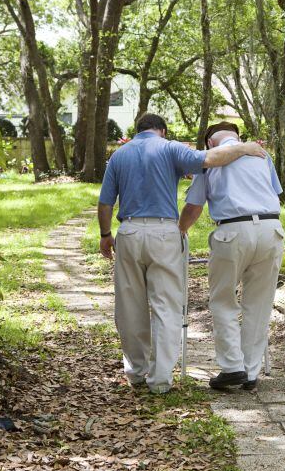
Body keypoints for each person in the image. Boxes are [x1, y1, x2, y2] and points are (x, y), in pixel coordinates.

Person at [98, 114, 266, 394]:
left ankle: (136, 371)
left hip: (127, 232)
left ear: (137, 130)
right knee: (166, 306)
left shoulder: (119, 155)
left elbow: (105, 202)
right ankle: (161, 380)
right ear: (161, 130)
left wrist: (105, 235)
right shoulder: (169, 147)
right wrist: (244, 147)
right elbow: (209, 159)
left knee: (129, 305)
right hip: (164, 232)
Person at [178, 121, 284, 390]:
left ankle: (232, 367)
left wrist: (179, 231)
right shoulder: (261, 155)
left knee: (223, 300)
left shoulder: (210, 160)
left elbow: (194, 207)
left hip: (233, 231)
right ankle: (250, 372)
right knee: (259, 304)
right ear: (237, 136)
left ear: (210, 143)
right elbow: (276, 193)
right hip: (272, 229)